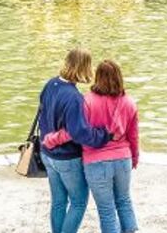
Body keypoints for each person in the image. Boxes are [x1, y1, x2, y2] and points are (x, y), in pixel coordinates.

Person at [43, 60, 139, 233]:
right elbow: (133, 136)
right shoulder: (129, 103)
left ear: (98, 77)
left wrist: (52, 139)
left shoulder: (87, 101)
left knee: (107, 210)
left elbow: (74, 132)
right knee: (124, 202)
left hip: (96, 162)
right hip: (123, 158)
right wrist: (134, 157)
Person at [38, 49, 112, 233]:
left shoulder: (50, 84)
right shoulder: (74, 98)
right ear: (83, 67)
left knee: (58, 201)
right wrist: (104, 135)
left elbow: (42, 114)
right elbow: (79, 133)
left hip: (47, 154)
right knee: (78, 201)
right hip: (67, 158)